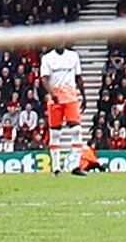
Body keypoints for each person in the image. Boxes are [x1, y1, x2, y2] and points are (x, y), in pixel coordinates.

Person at [40, 42, 97, 175]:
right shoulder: (47, 58)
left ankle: (76, 166)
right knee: (55, 133)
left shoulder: (73, 56)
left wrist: (84, 95)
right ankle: (56, 168)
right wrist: (52, 94)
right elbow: (44, 79)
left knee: (76, 130)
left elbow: (78, 78)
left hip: (71, 97)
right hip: (55, 99)